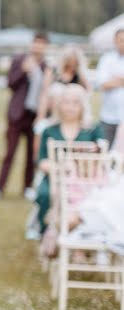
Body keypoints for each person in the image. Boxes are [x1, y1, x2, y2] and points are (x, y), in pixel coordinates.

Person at [34, 84, 104, 235]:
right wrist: (62, 169)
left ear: (83, 106)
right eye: (66, 102)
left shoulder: (93, 129)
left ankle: (84, 234)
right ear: (59, 104)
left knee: (96, 198)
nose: (70, 107)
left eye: (75, 103)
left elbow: (102, 154)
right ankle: (48, 234)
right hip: (55, 178)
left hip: (86, 180)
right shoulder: (49, 130)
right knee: (45, 194)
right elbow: (42, 161)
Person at [0, 31, 49, 198]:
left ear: (45, 46)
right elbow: (10, 83)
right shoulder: (20, 60)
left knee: (31, 155)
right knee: (10, 152)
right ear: (32, 44)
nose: (38, 46)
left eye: (42, 43)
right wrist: (23, 71)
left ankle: (27, 187)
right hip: (17, 114)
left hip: (36, 116)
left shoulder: (46, 66)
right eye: (36, 42)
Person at [95, 28, 124, 144]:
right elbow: (102, 84)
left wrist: (115, 80)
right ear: (115, 41)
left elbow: (109, 82)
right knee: (104, 149)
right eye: (121, 40)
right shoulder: (107, 59)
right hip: (108, 116)